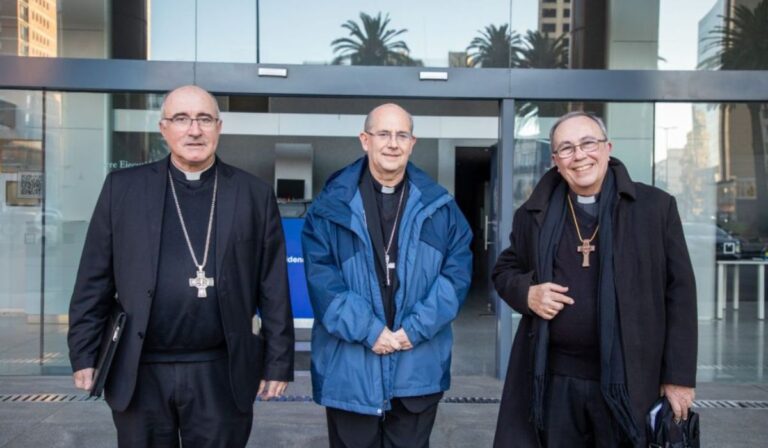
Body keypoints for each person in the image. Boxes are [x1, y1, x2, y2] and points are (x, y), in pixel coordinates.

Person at [67, 85, 295, 447]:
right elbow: (93, 279)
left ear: (219, 127)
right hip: (140, 369)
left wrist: (279, 361)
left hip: (220, 371)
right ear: (163, 128)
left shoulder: (252, 194)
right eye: (182, 119)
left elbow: (274, 287)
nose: (194, 129)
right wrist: (83, 353)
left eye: (204, 119)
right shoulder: (123, 189)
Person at [492, 111, 697, 448]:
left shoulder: (654, 208)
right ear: (556, 161)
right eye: (567, 148)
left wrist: (678, 378)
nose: (579, 155)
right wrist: (527, 294)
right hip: (555, 380)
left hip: (629, 378)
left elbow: (681, 295)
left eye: (588, 143)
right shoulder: (533, 213)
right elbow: (504, 270)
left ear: (607, 147)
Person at [302, 103, 473, 447]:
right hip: (350, 371)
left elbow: (455, 279)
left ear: (413, 143)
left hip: (417, 367)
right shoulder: (329, 209)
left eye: (401, 135)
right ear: (365, 140)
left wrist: (414, 329)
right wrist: (369, 331)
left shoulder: (442, 208)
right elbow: (323, 283)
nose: (392, 143)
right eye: (383, 134)